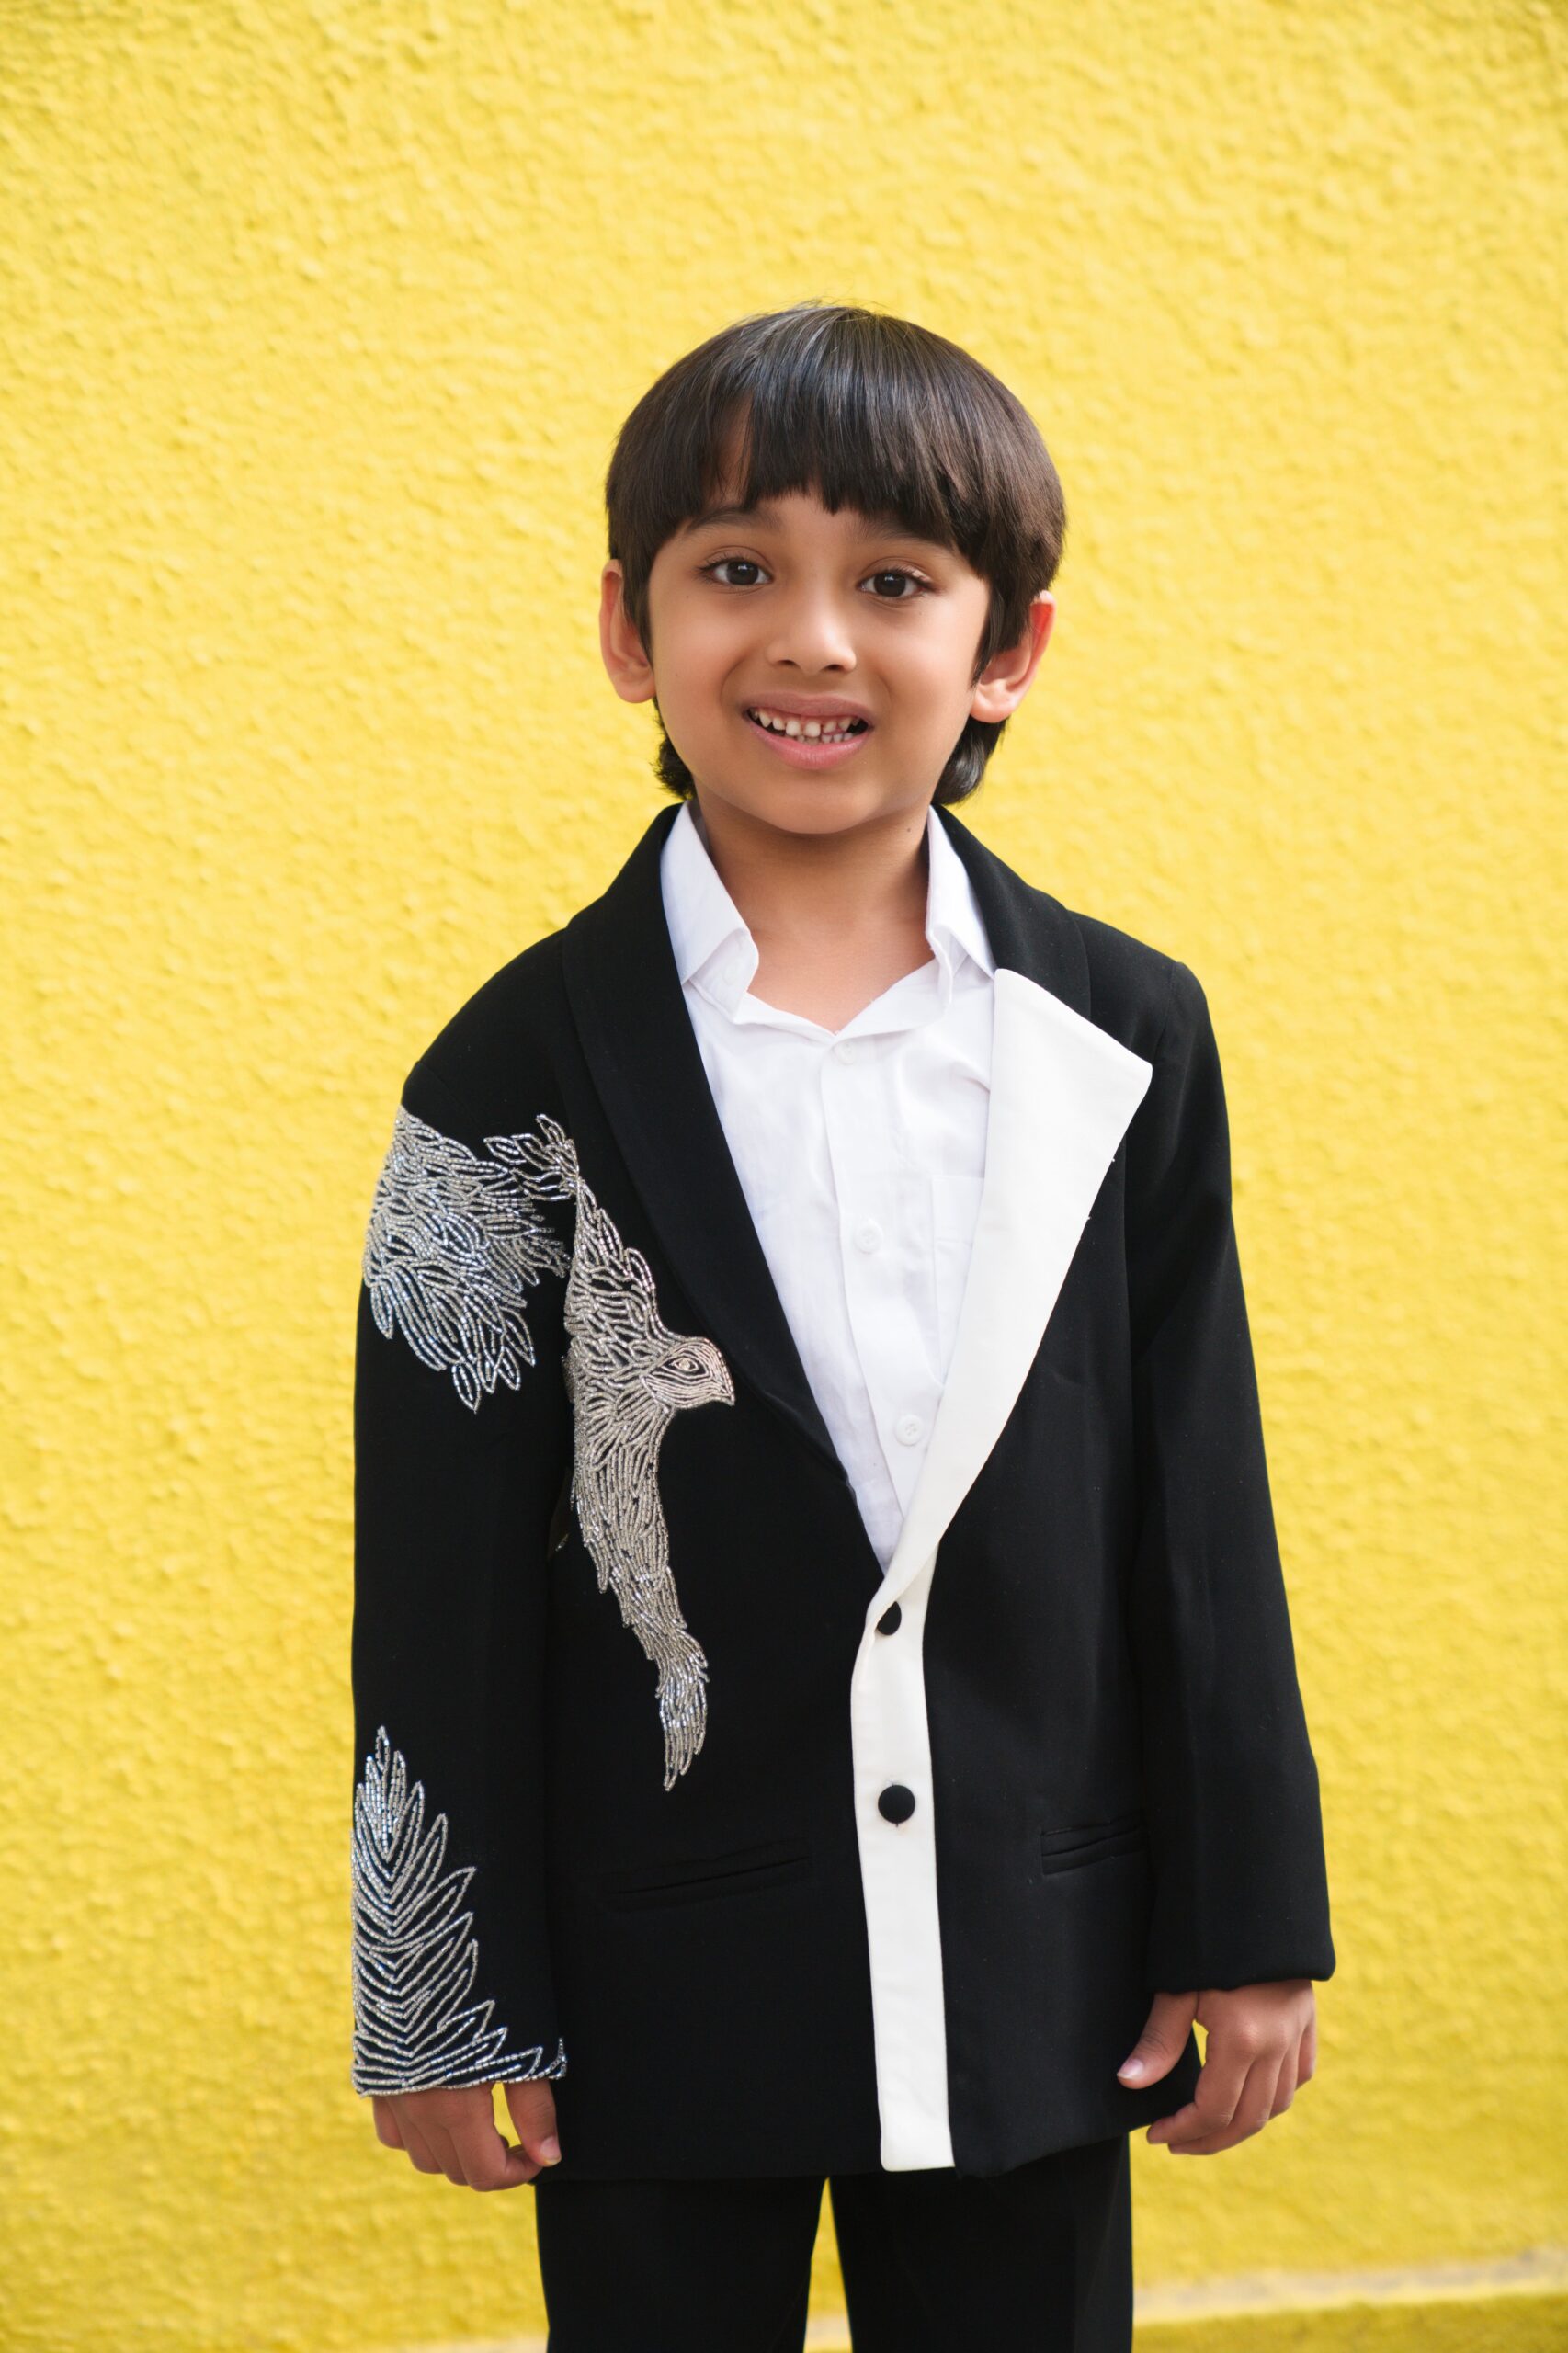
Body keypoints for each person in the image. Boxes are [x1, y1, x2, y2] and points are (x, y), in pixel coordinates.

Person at [347, 301, 1335, 2352]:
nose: (810, 639)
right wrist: (438, 1990)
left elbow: (1197, 1508)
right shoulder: (499, 1077)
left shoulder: (1117, 1036)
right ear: (627, 627)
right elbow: (440, 1574)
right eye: (737, 569)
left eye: (891, 581)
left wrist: (1247, 1914)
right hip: (653, 1989)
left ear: (1007, 647)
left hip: (1035, 1963)